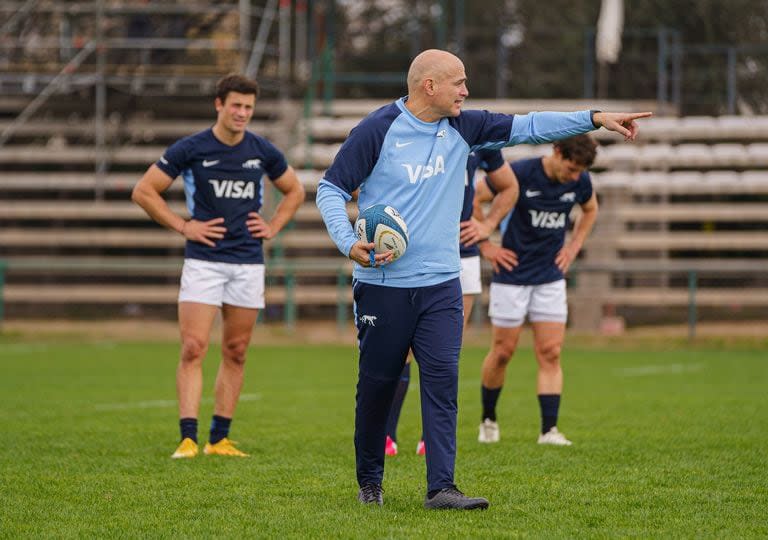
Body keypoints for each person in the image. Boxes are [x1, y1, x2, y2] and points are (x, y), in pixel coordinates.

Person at [316, 48, 649, 509]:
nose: (466, 92)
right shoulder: (377, 129)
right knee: (378, 385)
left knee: (442, 382)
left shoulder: (465, 126)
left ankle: (442, 488)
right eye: (459, 82)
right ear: (428, 85)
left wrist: (594, 117)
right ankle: (370, 483)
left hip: (441, 284)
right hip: (383, 285)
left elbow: (531, 125)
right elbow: (331, 188)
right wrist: (346, 239)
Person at [131, 74, 305, 459]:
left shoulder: (262, 151)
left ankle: (219, 439)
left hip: (247, 263)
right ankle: (188, 438)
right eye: (236, 106)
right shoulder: (191, 148)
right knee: (193, 347)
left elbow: (296, 190)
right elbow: (144, 191)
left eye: (248, 107)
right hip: (204, 262)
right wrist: (183, 225)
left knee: (237, 350)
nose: (242, 113)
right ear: (219, 105)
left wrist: (273, 225)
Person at [384, 151, 518, 458]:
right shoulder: (409, 132)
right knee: (398, 349)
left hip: (462, 255)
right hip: (414, 251)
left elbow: (509, 186)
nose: (461, 98)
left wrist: (486, 230)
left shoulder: (476, 135)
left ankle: (429, 438)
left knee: (443, 352)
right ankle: (387, 434)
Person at [476, 135, 599, 447]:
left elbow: (590, 209)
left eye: (579, 172)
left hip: (550, 277)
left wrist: (574, 247)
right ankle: (488, 419)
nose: (574, 177)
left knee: (551, 352)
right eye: (571, 169)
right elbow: (476, 197)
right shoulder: (520, 172)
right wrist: (485, 244)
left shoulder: (580, 180)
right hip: (511, 275)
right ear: (556, 152)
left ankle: (549, 430)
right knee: (503, 352)